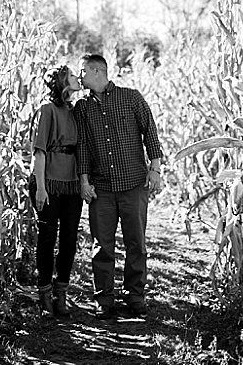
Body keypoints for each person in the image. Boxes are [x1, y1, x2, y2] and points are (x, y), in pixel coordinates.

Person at [75, 53, 165, 319]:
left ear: (96, 71)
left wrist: (156, 168)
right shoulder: (82, 108)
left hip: (133, 184)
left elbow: (150, 132)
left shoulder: (131, 98)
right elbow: (82, 146)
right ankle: (104, 299)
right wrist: (83, 180)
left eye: (82, 72)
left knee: (136, 243)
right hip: (101, 188)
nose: (79, 77)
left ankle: (135, 297)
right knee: (102, 246)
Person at [29, 65, 84, 317]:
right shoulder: (47, 110)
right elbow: (39, 152)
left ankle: (61, 292)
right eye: (73, 75)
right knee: (47, 238)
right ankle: (44, 293)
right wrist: (40, 188)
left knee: (70, 239)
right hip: (48, 182)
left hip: (71, 182)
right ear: (62, 82)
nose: (77, 78)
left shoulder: (75, 111)